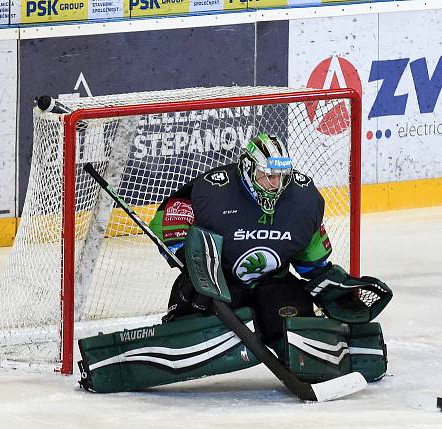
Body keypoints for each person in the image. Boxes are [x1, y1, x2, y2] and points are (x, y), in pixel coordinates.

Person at [78, 133, 390, 392]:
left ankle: (358, 350)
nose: (275, 183)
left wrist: (337, 288)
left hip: (274, 284)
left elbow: (313, 266)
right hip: (217, 280)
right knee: (201, 331)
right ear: (248, 168)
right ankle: (115, 361)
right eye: (268, 175)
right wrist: (189, 254)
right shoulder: (213, 191)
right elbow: (173, 217)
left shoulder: (303, 202)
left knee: (294, 328)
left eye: (281, 175)